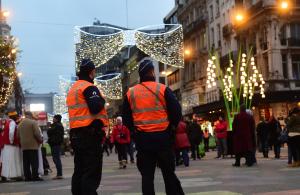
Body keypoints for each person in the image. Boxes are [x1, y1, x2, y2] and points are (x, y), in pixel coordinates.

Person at [123, 59, 185, 195]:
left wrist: (134, 132)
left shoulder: (130, 93)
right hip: (163, 138)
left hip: (143, 140)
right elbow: (176, 112)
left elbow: (126, 118)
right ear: (152, 72)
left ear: (140, 75)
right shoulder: (162, 89)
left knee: (147, 177)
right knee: (169, 174)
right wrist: (172, 128)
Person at [67, 59, 108, 195]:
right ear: (91, 72)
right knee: (91, 172)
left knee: (79, 170)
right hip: (89, 136)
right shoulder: (89, 87)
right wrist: (102, 99)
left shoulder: (73, 89)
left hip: (76, 135)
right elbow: (96, 107)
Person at [17, 111, 43, 181]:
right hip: (33, 145)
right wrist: (40, 140)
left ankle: (27, 177)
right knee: (34, 161)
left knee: (26, 162)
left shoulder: (20, 124)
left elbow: (17, 135)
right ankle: (35, 176)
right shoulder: (33, 122)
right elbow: (37, 133)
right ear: (30, 115)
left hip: (24, 146)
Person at [0, 111, 23, 181]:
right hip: (11, 145)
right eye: (16, 116)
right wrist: (11, 141)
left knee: (7, 160)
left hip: (7, 145)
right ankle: (11, 175)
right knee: (12, 160)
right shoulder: (12, 123)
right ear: (14, 116)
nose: (17, 117)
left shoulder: (7, 122)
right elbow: (11, 132)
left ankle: (6, 175)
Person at [47, 114, 64, 179]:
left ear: (56, 119)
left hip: (55, 144)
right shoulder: (58, 125)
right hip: (55, 144)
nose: (53, 119)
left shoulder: (58, 126)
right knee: (56, 159)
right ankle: (59, 174)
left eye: (54, 118)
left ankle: (59, 174)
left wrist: (49, 127)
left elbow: (49, 131)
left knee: (56, 159)